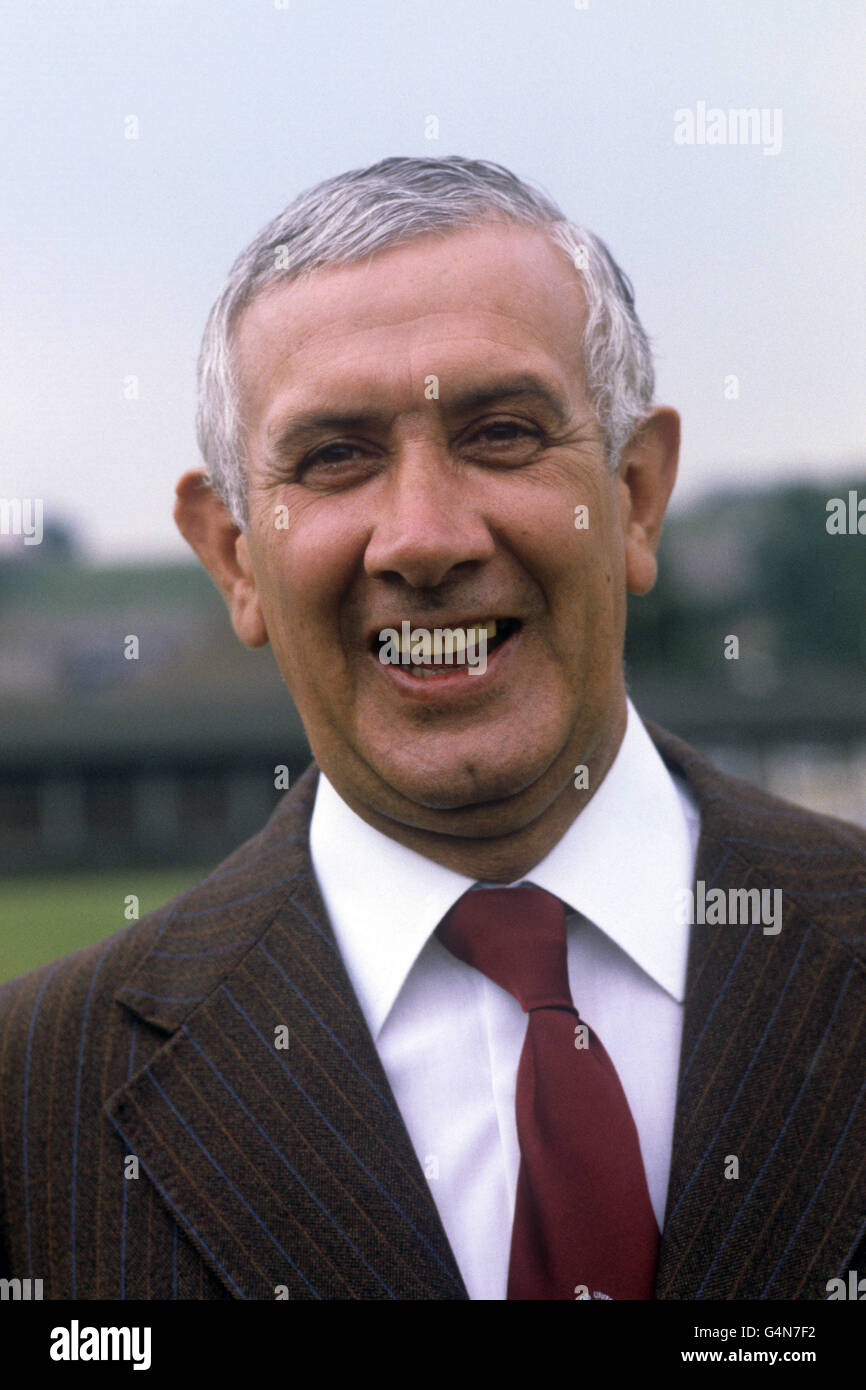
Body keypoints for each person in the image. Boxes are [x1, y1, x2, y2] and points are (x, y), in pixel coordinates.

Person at [1, 156, 863, 1302]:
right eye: (334, 457)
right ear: (232, 558)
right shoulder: (28, 1096)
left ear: (636, 497)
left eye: (501, 431)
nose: (422, 537)